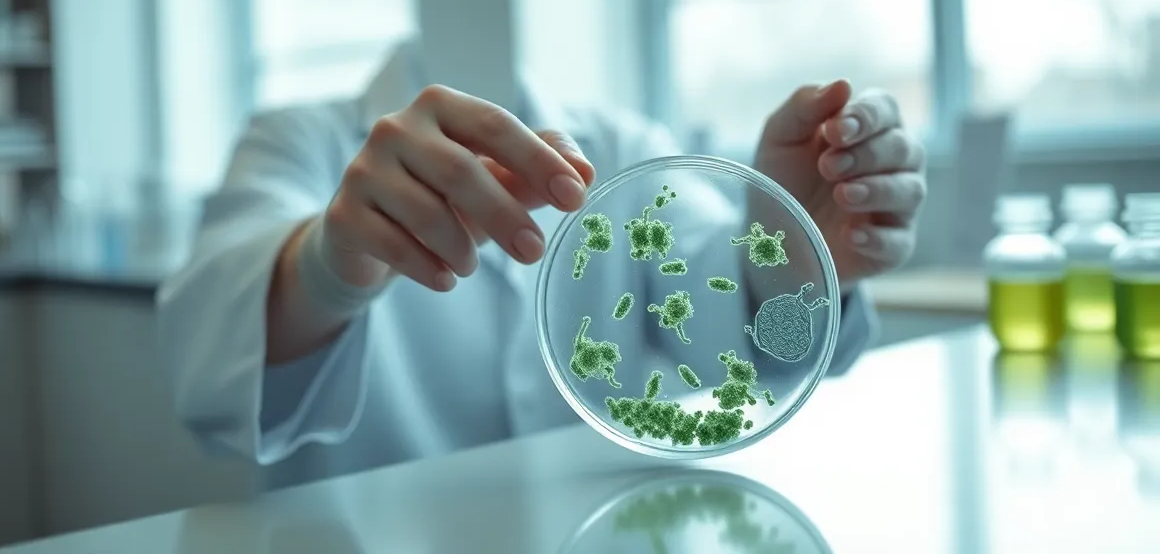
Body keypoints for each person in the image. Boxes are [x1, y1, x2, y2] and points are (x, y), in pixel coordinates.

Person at [156, 41, 927, 490]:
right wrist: (329, 265)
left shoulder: (621, 145)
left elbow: (723, 324)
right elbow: (209, 358)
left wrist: (789, 257)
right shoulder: (300, 140)